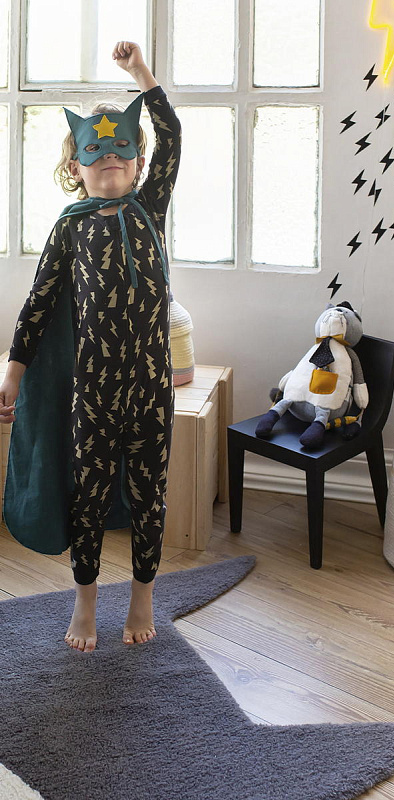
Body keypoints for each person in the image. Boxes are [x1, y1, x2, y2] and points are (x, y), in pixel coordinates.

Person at [0, 41, 181, 653]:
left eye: (122, 151)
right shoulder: (71, 228)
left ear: (138, 162)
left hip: (151, 388)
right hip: (93, 391)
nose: (109, 159)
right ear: (75, 166)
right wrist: (14, 372)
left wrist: (140, 74)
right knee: (90, 497)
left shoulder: (150, 209)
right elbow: (38, 304)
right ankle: (85, 602)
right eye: (95, 153)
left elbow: (173, 135)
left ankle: (143, 596)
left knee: (149, 495)